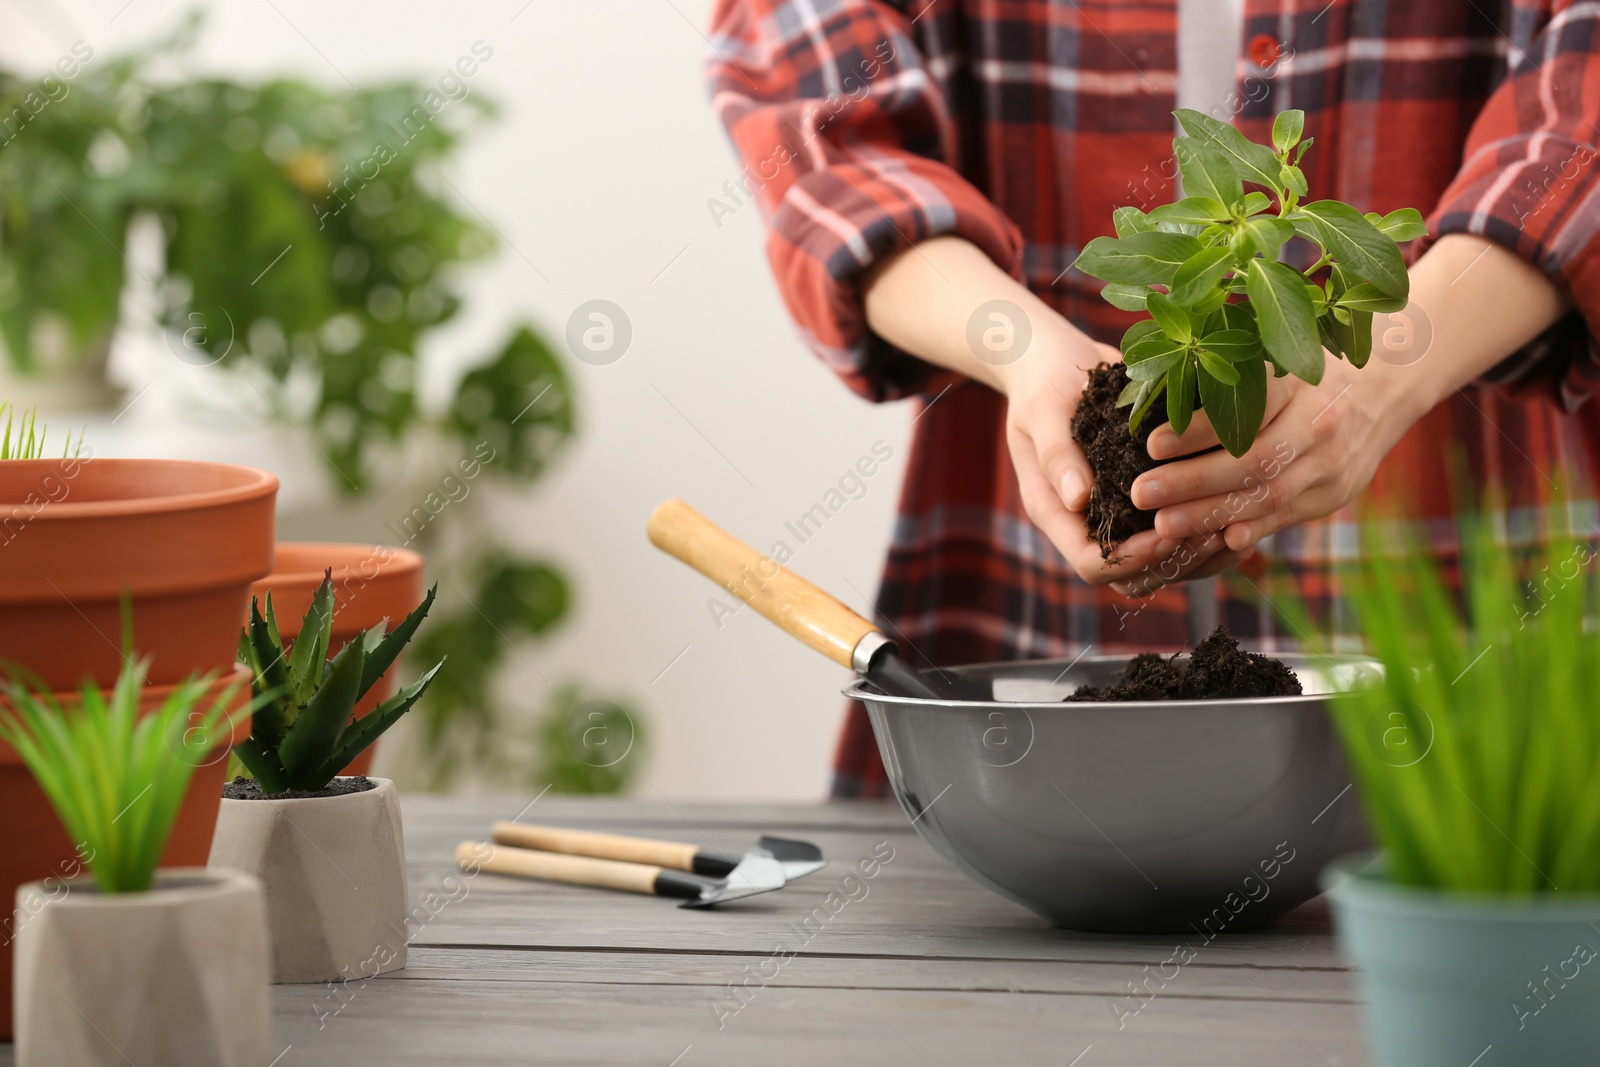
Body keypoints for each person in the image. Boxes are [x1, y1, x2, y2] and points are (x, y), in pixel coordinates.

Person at [706, 0, 1600, 798]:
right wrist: (1016, 346)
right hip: (1021, 596)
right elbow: (807, 99)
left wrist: (1389, 365)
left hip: (1460, 565)